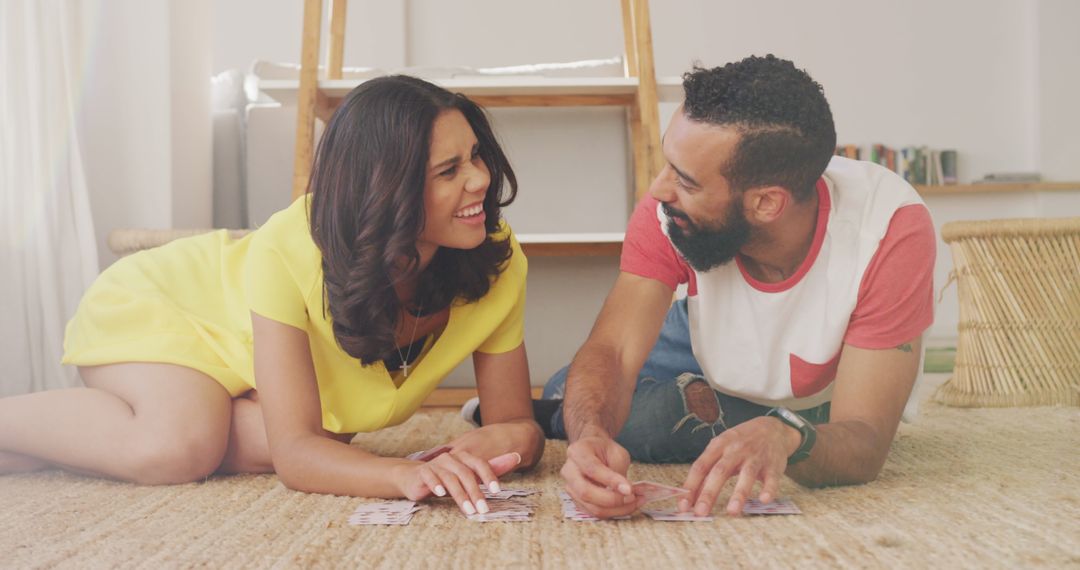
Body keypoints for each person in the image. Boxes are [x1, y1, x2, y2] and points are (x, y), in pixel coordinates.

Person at [0, 76, 544, 517]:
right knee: (181, 447)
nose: (479, 180)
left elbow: (515, 422)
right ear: (385, 191)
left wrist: (507, 441)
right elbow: (297, 458)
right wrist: (404, 475)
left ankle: (20, 452)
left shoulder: (495, 260)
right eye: (449, 170)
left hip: (244, 356)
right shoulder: (293, 247)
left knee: (315, 440)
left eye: (475, 156)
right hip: (167, 305)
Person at [470, 54, 935, 518]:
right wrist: (590, 436)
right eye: (668, 165)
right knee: (576, 387)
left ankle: (747, 418)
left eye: (685, 181)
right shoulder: (669, 210)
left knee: (655, 421)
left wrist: (788, 434)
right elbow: (612, 349)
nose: (658, 189)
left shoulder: (887, 230)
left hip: (820, 398)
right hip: (702, 333)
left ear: (767, 203)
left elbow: (865, 442)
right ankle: (588, 413)